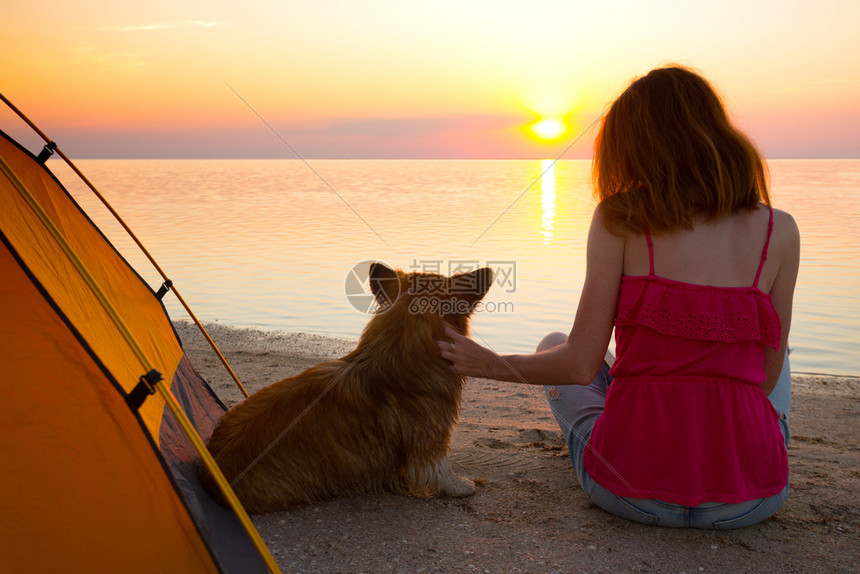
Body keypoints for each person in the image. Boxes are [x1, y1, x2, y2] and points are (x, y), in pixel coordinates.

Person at [438, 65, 800, 529]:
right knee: (779, 351)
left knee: (556, 343)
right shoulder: (780, 230)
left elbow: (578, 366)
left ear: (633, 147)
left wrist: (486, 362)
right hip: (748, 501)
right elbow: (766, 380)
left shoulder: (620, 219)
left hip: (630, 491)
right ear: (716, 133)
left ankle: (638, 418)